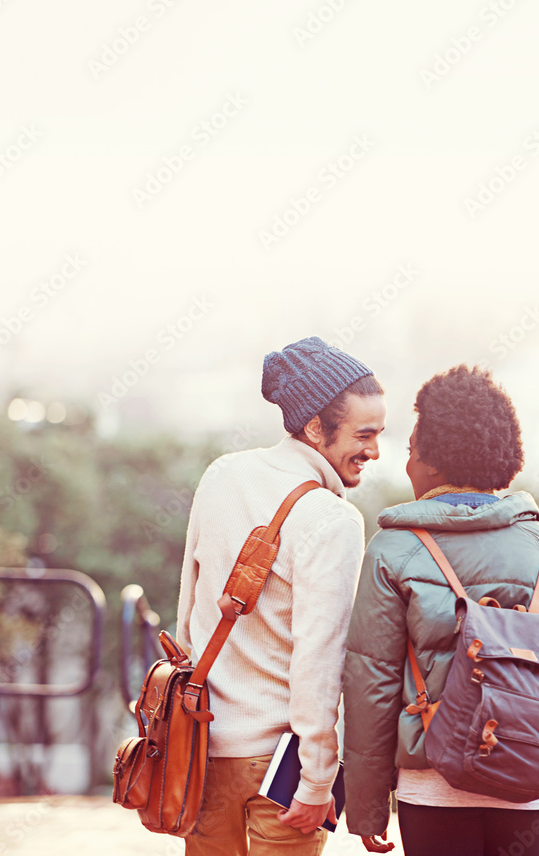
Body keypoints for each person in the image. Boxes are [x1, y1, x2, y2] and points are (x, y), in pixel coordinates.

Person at [342, 364, 539, 856]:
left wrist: (365, 807)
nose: (406, 466)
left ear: (434, 463)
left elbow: (371, 688)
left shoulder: (392, 552)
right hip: (529, 785)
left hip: (433, 790)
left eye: (410, 451)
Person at [176, 336, 386, 855]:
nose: (374, 451)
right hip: (280, 770)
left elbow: (188, 620)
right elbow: (319, 659)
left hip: (203, 752)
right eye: (363, 435)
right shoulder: (332, 519)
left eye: (380, 434)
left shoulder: (221, 475)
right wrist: (317, 780)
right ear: (316, 428)